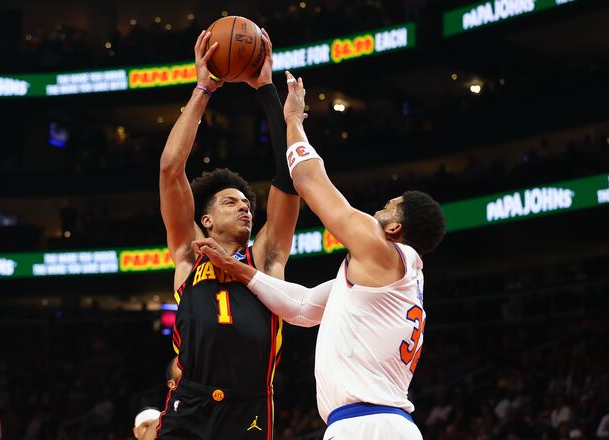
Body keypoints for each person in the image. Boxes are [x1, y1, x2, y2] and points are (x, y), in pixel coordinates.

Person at [191, 71, 446, 439]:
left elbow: (310, 181)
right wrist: (238, 269)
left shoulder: (382, 251)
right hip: (378, 424)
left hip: (367, 425)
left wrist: (293, 120)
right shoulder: (386, 281)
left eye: (388, 208)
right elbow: (303, 307)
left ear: (395, 229)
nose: (377, 212)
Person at [156, 29, 300, 440]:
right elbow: (170, 169)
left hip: (250, 404)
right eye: (231, 202)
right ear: (205, 220)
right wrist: (203, 88)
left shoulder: (267, 256)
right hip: (192, 401)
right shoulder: (188, 255)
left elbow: (288, 177)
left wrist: (266, 89)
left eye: (247, 204)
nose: (245, 208)